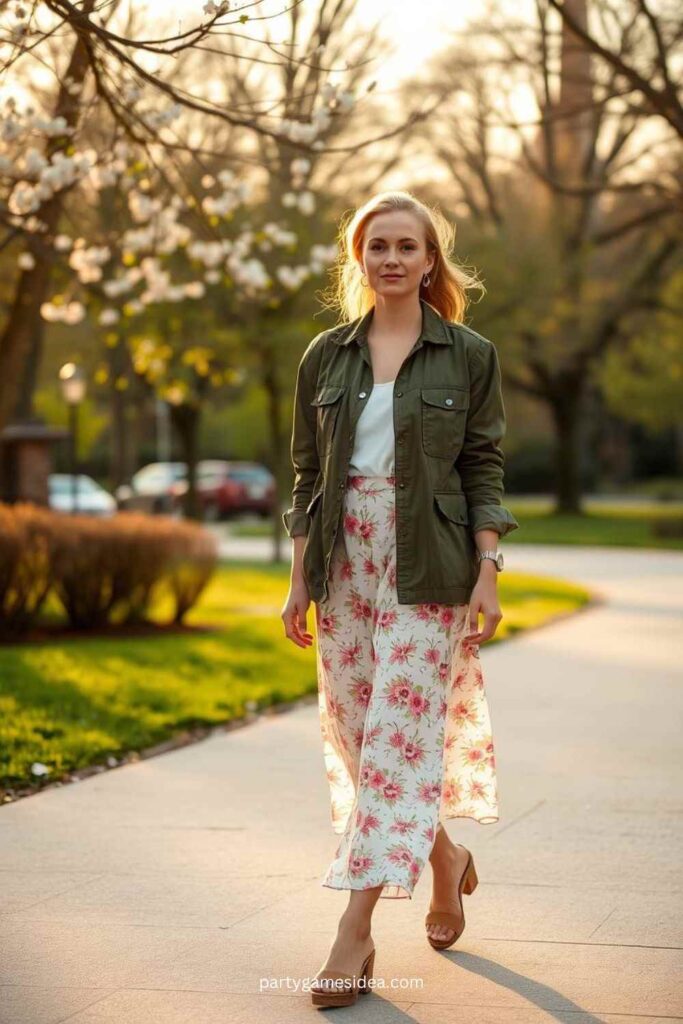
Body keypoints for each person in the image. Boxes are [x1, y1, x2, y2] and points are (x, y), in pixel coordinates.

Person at [281, 190, 519, 1008]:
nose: (390, 258)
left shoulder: (468, 354)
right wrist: (299, 576)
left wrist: (488, 565)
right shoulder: (325, 356)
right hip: (345, 557)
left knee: (393, 740)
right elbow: (308, 478)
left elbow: (482, 465)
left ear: (429, 261)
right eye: (376, 245)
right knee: (356, 736)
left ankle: (353, 934)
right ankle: (442, 858)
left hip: (430, 563)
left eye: (405, 246)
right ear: (359, 257)